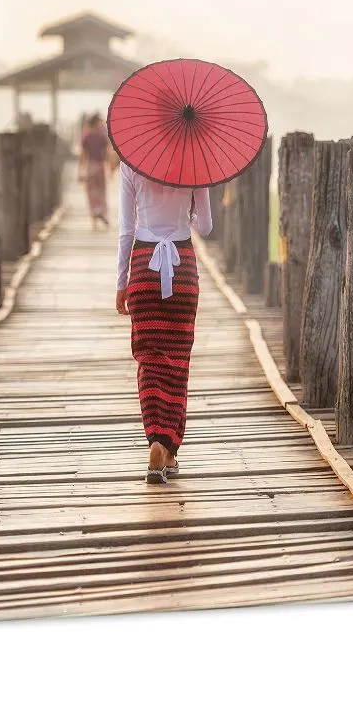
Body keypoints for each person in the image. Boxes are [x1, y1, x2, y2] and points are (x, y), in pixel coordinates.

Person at [115, 162, 213, 484]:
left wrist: (121, 283)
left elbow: (126, 229)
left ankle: (156, 440)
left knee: (150, 359)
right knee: (177, 361)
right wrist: (192, 212)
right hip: (182, 266)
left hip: (143, 266)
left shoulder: (131, 161)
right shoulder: (196, 160)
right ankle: (169, 448)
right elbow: (208, 227)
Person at [78, 114, 111, 228]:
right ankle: (101, 211)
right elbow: (107, 153)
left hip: (90, 166)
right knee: (102, 190)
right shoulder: (102, 136)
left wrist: (80, 170)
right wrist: (110, 168)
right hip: (100, 166)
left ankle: (94, 218)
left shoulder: (86, 136)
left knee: (91, 192)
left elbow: (83, 155)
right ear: (97, 123)